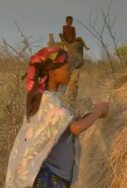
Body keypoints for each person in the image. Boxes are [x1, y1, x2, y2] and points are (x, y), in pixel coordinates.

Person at [5, 47, 109, 188]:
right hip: (43, 178)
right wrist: (98, 110)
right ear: (53, 73)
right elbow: (75, 128)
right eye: (67, 69)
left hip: (41, 176)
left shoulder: (45, 97)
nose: (70, 71)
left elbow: (66, 123)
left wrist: (90, 112)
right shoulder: (49, 99)